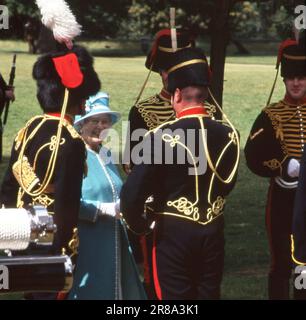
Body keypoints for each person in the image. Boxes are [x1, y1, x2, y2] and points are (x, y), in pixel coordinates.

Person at [120, 47, 239, 300]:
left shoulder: (161, 137)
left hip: (172, 236)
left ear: (175, 94)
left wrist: (142, 226)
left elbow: (131, 195)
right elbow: (227, 185)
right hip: (214, 232)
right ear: (205, 95)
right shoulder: (229, 134)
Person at [123, 29, 196, 297]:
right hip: (159, 207)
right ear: (159, 71)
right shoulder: (142, 111)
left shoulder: (206, 109)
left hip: (195, 203)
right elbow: (132, 162)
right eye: (166, 70)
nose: (170, 75)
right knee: (158, 280)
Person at [244, 37, 306, 299]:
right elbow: (253, 154)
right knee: (281, 262)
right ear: (283, 80)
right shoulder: (270, 114)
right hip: (284, 198)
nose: (295, 82)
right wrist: (282, 166)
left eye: (301, 77)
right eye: (290, 77)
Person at [68, 92, 146, 300]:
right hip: (87, 244)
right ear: (81, 123)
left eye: (106, 122)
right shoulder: (73, 154)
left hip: (115, 239)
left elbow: (118, 190)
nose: (101, 127)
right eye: (95, 120)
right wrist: (103, 209)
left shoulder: (106, 153)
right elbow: (66, 201)